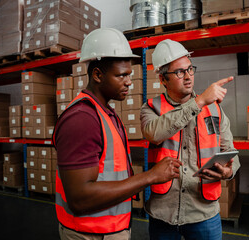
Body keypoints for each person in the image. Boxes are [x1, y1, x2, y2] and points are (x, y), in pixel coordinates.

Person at [52, 29, 182, 240]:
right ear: (97, 75)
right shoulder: (82, 119)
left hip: (108, 229)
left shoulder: (106, 113)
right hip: (89, 234)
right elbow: (79, 199)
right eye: (121, 75)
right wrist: (150, 176)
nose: (129, 81)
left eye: (129, 74)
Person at [140, 39, 241, 240]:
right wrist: (200, 101)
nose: (188, 77)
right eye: (179, 72)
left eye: (190, 69)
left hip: (203, 213)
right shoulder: (151, 108)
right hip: (163, 212)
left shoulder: (214, 109)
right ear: (162, 79)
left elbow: (231, 151)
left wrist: (229, 171)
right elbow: (154, 133)